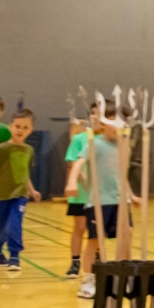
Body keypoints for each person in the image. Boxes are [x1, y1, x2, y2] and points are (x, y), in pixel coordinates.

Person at [71, 99, 128, 300]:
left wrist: (131, 195)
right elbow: (79, 163)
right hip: (99, 201)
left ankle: (123, 275)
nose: (118, 125)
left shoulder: (123, 146)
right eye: (113, 121)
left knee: (126, 236)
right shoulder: (94, 144)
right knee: (95, 241)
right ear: (103, 123)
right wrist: (71, 182)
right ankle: (88, 281)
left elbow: (121, 174)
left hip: (120, 201)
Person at [0, 109, 39, 271]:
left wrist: (32, 190)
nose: (20, 130)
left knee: (14, 224)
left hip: (20, 195)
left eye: (25, 128)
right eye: (17, 126)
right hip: (1, 195)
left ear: (30, 130)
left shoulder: (29, 150)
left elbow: (24, 173)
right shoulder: (2, 149)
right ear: (10, 126)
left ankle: (14, 256)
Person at [63, 114, 91, 277]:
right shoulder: (79, 139)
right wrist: (83, 179)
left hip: (100, 195)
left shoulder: (106, 140)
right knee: (79, 227)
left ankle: (96, 260)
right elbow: (73, 161)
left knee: (96, 230)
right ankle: (75, 261)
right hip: (81, 193)